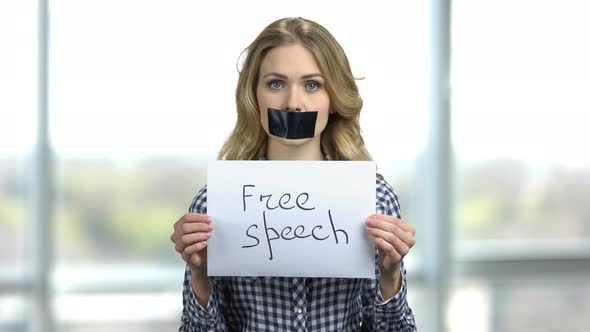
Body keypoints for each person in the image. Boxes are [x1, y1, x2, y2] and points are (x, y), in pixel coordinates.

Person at [170, 17, 417, 331]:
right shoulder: (214, 202)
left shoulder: (375, 199)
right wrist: (200, 278)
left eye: (312, 85)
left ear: (334, 100)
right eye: (276, 83)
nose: (293, 104)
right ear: (254, 96)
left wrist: (391, 275)